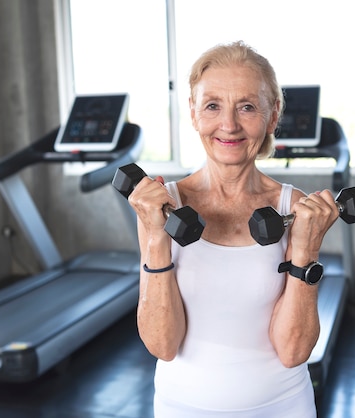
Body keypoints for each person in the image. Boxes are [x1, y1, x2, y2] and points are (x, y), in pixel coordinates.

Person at [128, 40, 340, 418]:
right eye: (212, 106)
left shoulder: (293, 208)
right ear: (193, 114)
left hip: (282, 407)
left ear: (272, 115)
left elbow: (293, 350)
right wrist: (157, 238)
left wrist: (305, 252)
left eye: (247, 107)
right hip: (182, 408)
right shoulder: (161, 206)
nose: (229, 125)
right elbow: (163, 344)